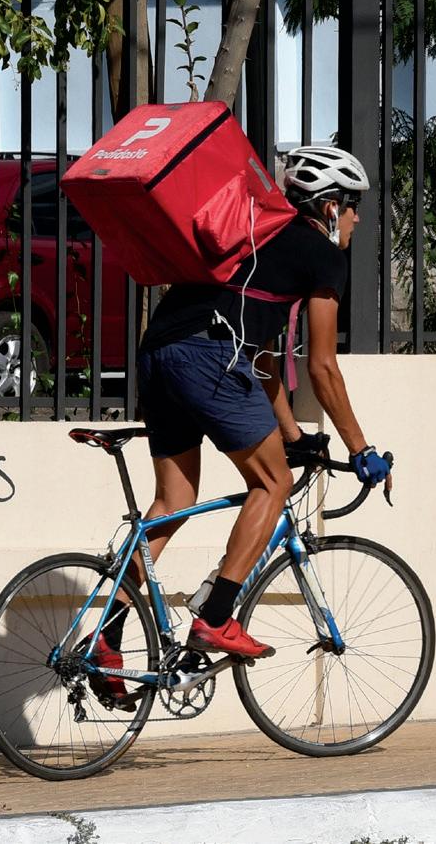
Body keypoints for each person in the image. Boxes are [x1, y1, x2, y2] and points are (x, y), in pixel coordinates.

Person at [84, 146, 392, 703]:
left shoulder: (253, 234)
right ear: (329, 207)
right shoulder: (323, 257)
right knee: (272, 483)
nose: (357, 219)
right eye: (353, 207)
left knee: (173, 499)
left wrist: (293, 437)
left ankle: (104, 638)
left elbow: (263, 359)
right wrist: (361, 449)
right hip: (208, 356)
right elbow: (322, 366)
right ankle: (216, 618)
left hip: (160, 353)